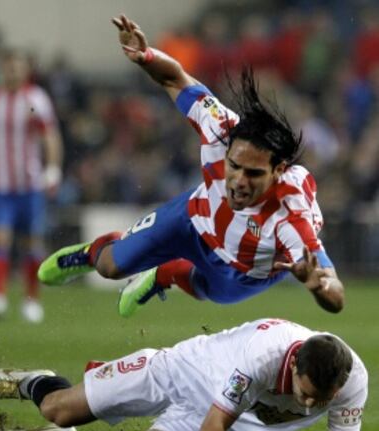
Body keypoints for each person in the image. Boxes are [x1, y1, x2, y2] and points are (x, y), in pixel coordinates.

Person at [38, 14, 344, 318]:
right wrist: (145, 56)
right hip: (193, 218)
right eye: (234, 166)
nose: (238, 181)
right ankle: (88, 253)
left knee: (207, 291)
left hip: (246, 267)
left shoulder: (291, 217)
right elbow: (175, 78)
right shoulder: (220, 127)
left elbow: (334, 290)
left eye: (254, 174)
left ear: (279, 170)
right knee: (111, 267)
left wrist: (319, 285)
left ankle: (161, 275)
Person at [0, 317, 367, 431]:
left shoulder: (351, 380)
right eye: (305, 394)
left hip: (218, 415)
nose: (308, 406)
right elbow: (214, 430)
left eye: (321, 401)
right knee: (58, 409)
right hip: (179, 371)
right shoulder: (263, 355)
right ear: (294, 362)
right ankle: (35, 382)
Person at [0, 48, 63, 323]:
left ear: (25, 71)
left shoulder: (36, 99)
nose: (13, 72)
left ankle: (31, 300)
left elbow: (50, 137)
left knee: (32, 242)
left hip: (29, 184)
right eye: (9, 67)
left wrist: (53, 168)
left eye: (18, 68)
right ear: (2, 70)